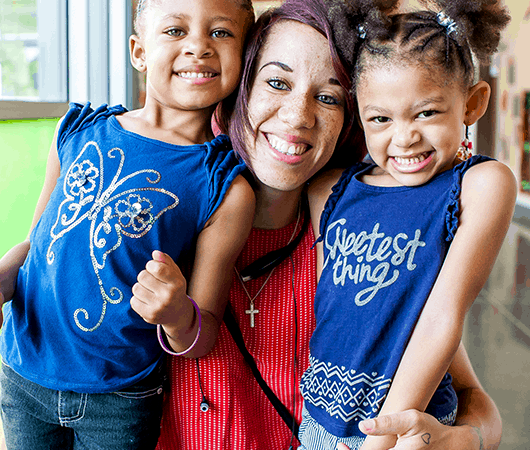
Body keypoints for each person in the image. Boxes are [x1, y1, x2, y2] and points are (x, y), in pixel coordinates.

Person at [157, 0, 504, 449]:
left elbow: (470, 395)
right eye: (277, 82)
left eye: (328, 97)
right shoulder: (165, 219)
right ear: (241, 87)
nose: (298, 116)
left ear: (350, 119)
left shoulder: (366, 239)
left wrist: (467, 440)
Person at [0, 0, 257, 448]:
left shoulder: (224, 188)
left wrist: (177, 312)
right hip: (24, 376)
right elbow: (36, 247)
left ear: (242, 57)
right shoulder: (77, 131)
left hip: (121, 398)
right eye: (175, 31)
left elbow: (203, 332)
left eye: (221, 33)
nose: (199, 47)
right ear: (139, 52)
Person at [299, 1, 515, 449]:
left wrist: (383, 438)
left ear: (472, 103)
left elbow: (441, 316)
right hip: (316, 423)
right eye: (380, 118)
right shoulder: (331, 191)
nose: (404, 137)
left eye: (426, 113)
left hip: (408, 429)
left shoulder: (479, 185)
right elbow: (339, 312)